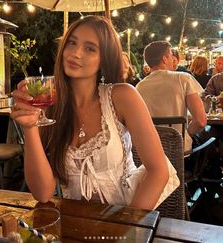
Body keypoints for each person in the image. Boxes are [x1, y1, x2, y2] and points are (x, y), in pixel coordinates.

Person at [11, 15, 169, 210]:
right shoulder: (52, 106)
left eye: (90, 48)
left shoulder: (122, 97)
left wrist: (130, 227)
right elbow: (43, 193)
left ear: (104, 59)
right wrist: (30, 127)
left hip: (126, 219)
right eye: (71, 43)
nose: (76, 53)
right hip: (75, 224)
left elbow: (158, 172)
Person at [136, 41, 207, 152]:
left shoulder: (139, 86)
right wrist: (185, 134)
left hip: (151, 150)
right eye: (170, 57)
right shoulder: (183, 78)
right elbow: (201, 121)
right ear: (164, 59)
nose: (172, 60)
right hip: (180, 150)